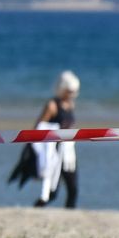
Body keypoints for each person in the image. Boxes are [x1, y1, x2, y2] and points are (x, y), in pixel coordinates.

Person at [32, 71, 79, 208]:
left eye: (74, 92)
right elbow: (39, 127)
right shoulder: (52, 105)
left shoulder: (71, 105)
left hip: (68, 152)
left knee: (73, 188)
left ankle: (70, 215)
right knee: (52, 191)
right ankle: (36, 209)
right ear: (63, 89)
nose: (72, 95)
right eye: (70, 91)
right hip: (54, 152)